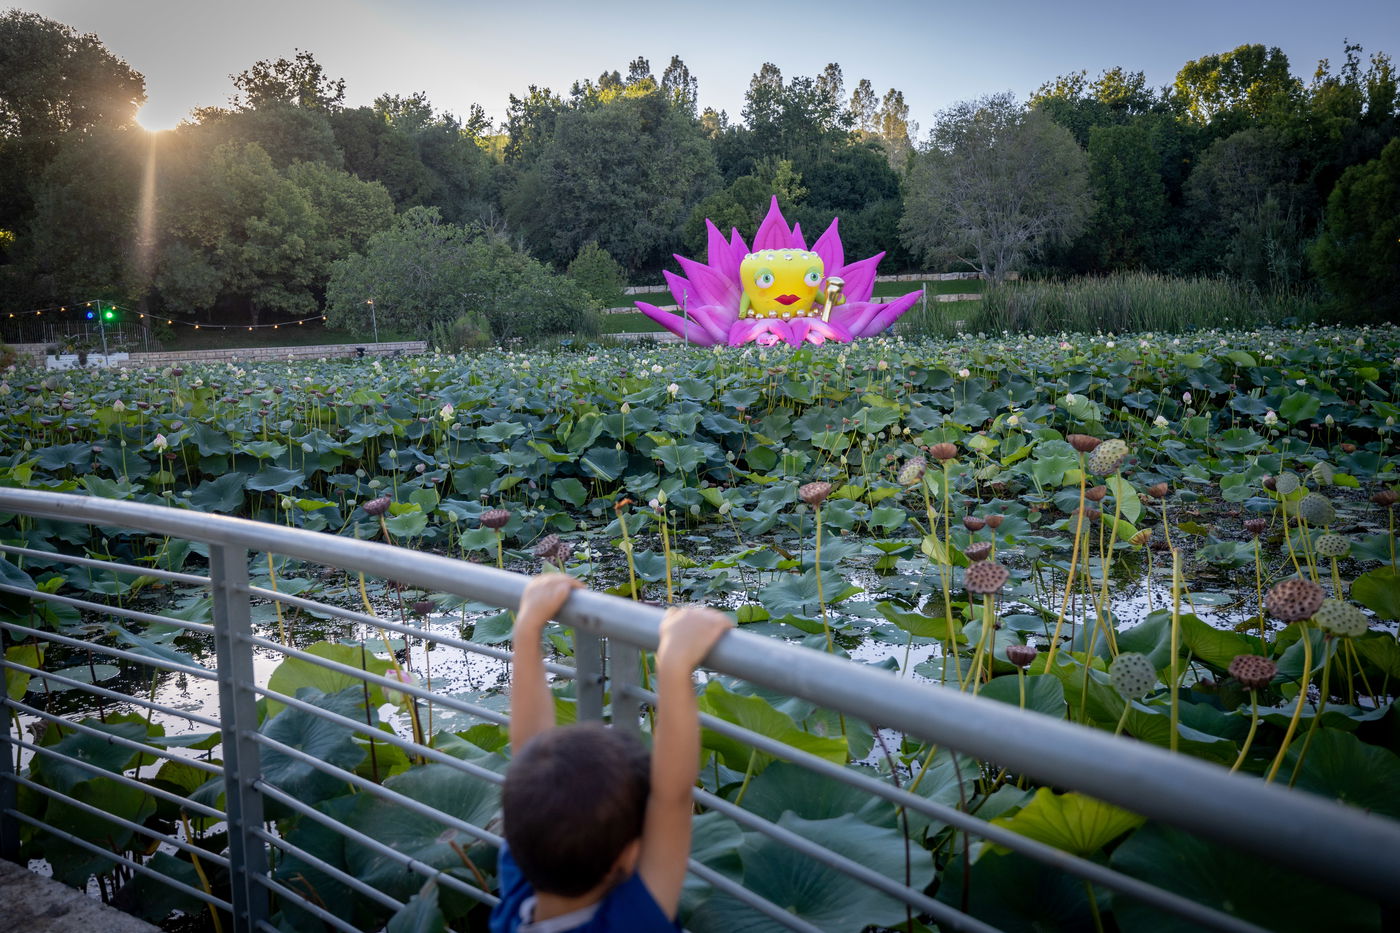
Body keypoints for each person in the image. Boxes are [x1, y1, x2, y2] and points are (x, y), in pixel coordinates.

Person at [490, 573, 733, 933]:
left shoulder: (521, 898)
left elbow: (531, 749)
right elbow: (672, 798)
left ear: (515, 831)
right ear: (627, 856)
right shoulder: (630, 922)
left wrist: (527, 628)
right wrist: (674, 662)